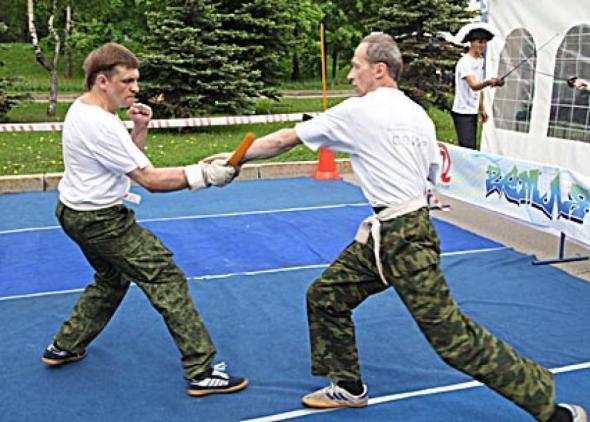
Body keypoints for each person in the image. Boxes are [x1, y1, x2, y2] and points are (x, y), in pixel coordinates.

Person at [240, 32, 586, 422]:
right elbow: (431, 174)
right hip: (393, 231)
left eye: (356, 66)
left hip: (404, 237)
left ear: (379, 69)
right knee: (325, 296)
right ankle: (348, 387)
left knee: (452, 340)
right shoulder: (417, 114)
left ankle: (552, 410)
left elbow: (284, 140)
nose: (351, 75)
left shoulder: (358, 110)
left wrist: (233, 161)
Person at [41, 42, 248, 397]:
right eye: (127, 81)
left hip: (72, 212)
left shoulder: (86, 109)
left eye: (136, 80)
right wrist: (204, 175)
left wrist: (139, 127)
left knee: (111, 279)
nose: (135, 88)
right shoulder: (99, 123)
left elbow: (126, 161)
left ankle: (64, 345)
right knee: (166, 277)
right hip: (102, 220)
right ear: (102, 80)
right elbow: (150, 179)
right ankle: (201, 371)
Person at [451, 23, 503, 150]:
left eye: (484, 42)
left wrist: (482, 109)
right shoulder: (464, 63)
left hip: (472, 111)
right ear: (471, 43)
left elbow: (479, 90)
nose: (482, 45)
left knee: (471, 147)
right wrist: (489, 82)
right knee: (467, 148)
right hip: (462, 112)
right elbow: (474, 85)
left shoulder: (480, 61)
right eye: (480, 42)